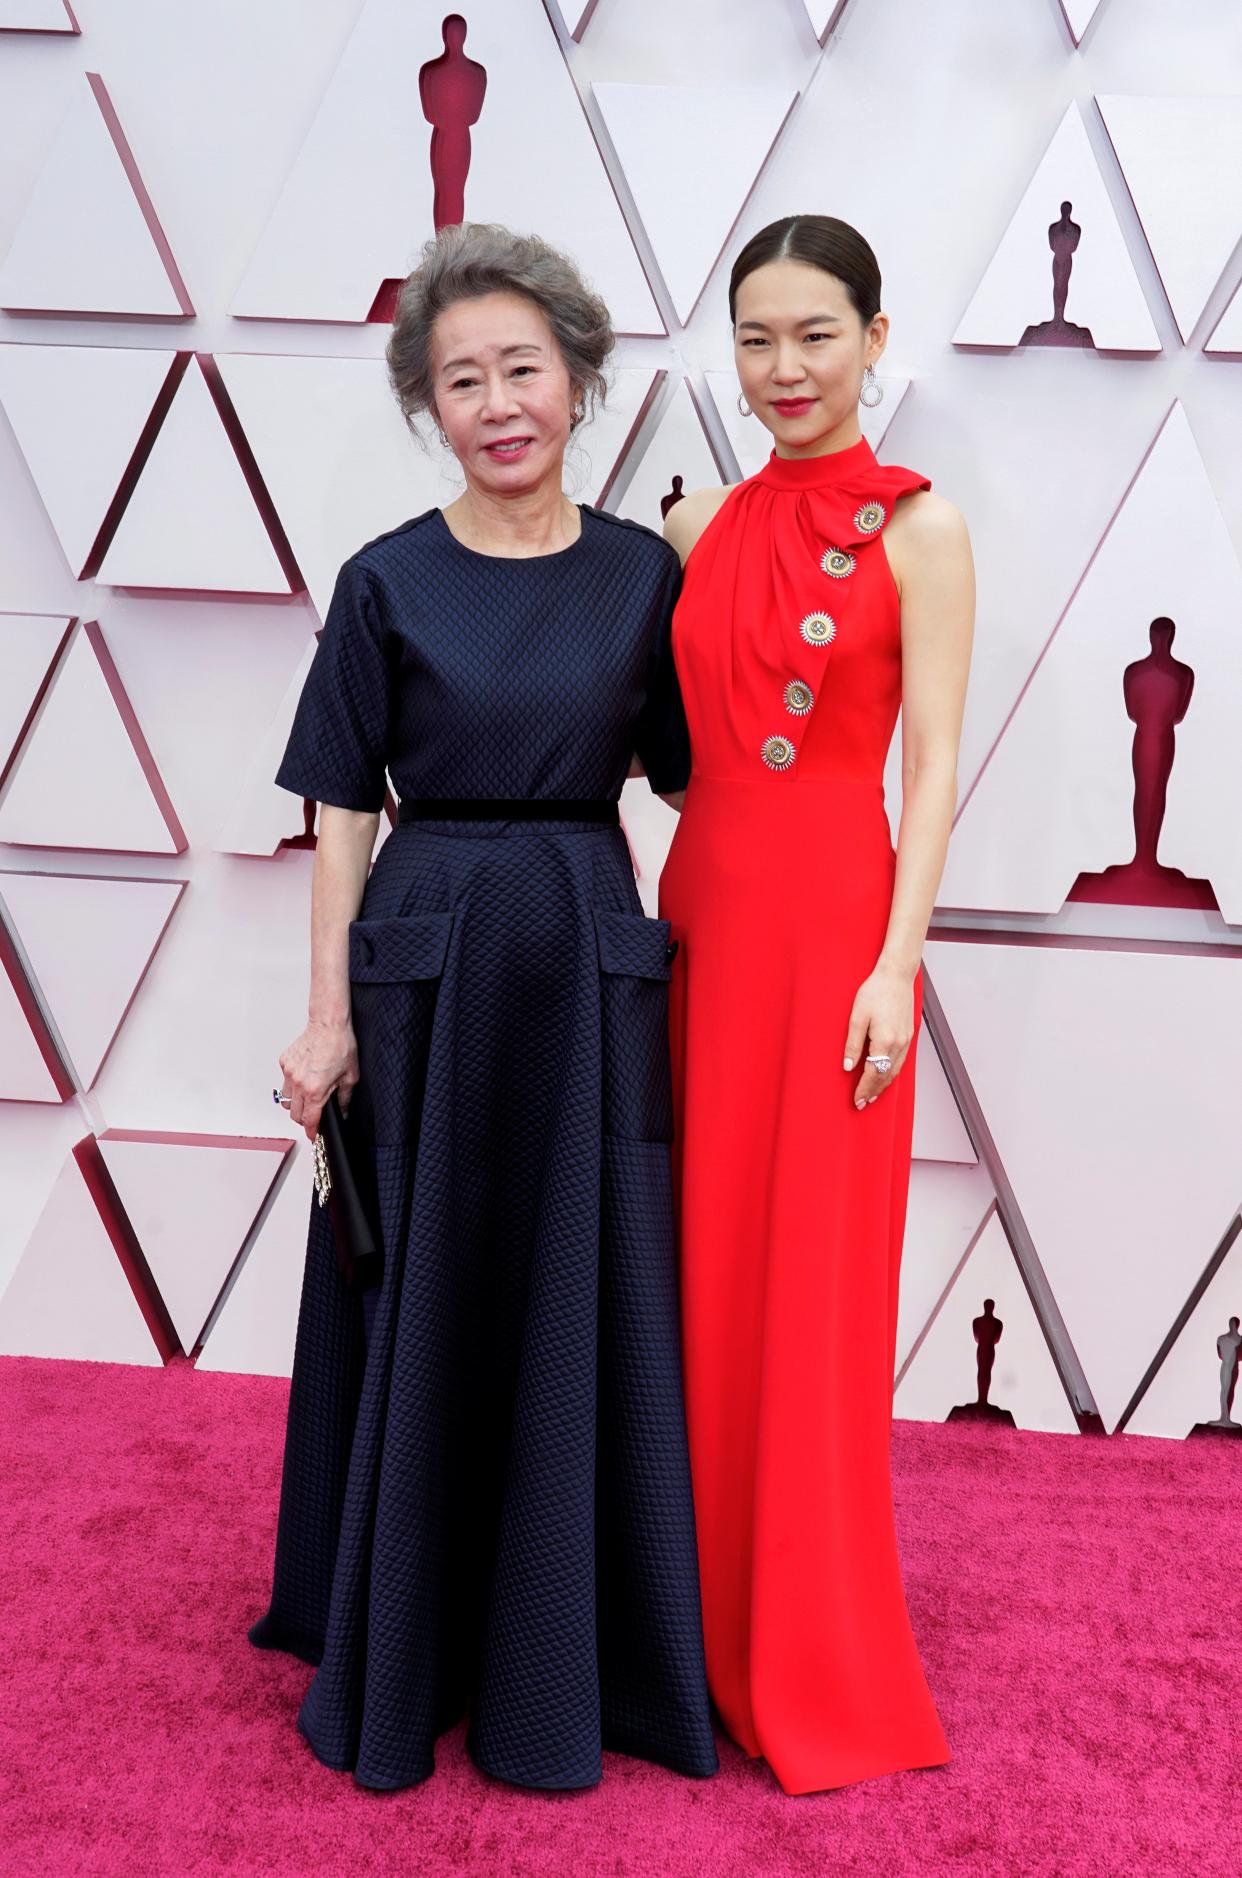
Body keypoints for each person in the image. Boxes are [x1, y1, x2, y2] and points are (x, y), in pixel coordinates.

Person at [249, 221, 717, 1795]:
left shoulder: (641, 574)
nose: (497, 401)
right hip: (429, 965)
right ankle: (404, 1625)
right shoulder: (385, 578)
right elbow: (338, 809)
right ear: (427, 405)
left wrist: (718, 570)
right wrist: (326, 1018)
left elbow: (692, 776)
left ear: (579, 380)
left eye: (523, 367)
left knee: (582, 1287)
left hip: (585, 957)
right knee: (422, 1286)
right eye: (462, 379)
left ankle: (559, 1633)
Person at [660, 214, 974, 1795]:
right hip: (697, 931)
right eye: (756, 338)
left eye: (815, 336)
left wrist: (896, 959)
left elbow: (931, 768)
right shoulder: (696, 518)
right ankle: (679, 1636)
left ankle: (806, 1651)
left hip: (834, 941)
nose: (785, 369)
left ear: (871, 334)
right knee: (691, 1280)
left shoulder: (920, 530)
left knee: (811, 1297)